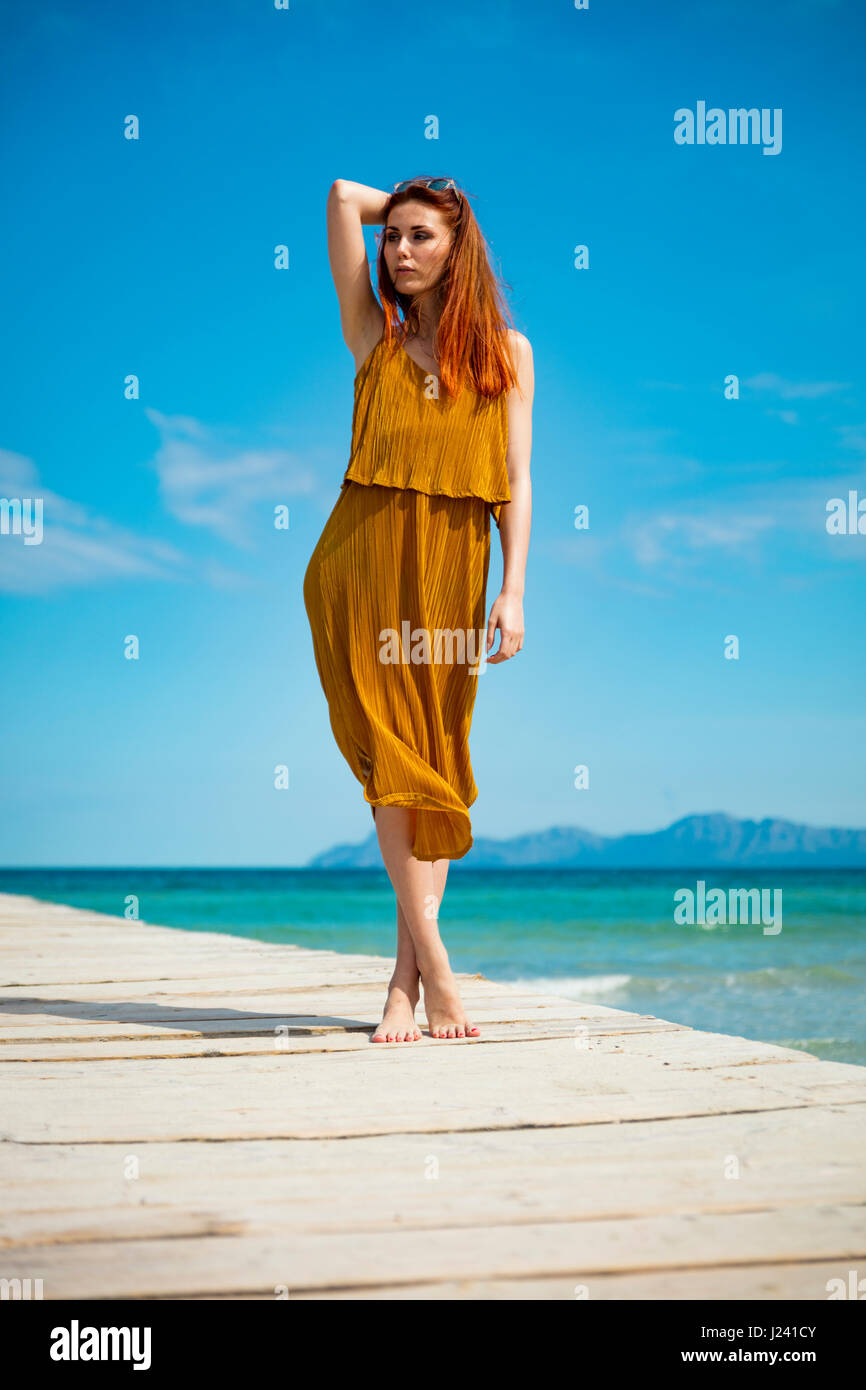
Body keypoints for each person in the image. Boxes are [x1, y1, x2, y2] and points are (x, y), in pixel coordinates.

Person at [303, 175, 533, 1043]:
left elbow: (515, 481)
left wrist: (512, 590)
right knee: (391, 758)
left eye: (419, 238)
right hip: (358, 569)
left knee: (431, 759)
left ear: (456, 247)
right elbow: (337, 196)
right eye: (391, 235)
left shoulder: (508, 355)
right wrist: (408, 197)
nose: (397, 251)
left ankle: (401, 983)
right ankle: (438, 969)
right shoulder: (374, 339)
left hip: (452, 570)